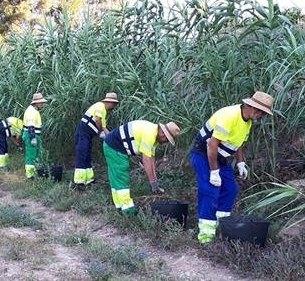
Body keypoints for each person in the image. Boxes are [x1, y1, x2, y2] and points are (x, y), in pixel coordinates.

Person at [191, 91, 274, 244]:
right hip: (204, 154)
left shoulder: (247, 121)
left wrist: (241, 162)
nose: (264, 117)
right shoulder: (229, 115)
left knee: (230, 189)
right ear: (252, 108)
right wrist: (214, 172)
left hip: (221, 157)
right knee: (209, 190)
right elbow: (211, 144)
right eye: (263, 113)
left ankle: (222, 226)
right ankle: (206, 237)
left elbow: (239, 143)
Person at [103, 120, 181, 214]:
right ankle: (127, 209)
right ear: (163, 133)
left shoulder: (154, 134)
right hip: (114, 147)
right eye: (167, 140)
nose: (166, 142)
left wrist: (155, 181)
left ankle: (120, 206)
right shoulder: (150, 134)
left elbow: (152, 159)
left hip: (113, 146)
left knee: (116, 178)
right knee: (120, 176)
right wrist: (153, 183)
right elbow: (146, 160)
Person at [73, 92, 119, 190]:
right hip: (83, 134)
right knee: (82, 155)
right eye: (114, 104)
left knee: (87, 156)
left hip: (88, 135)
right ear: (109, 102)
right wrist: (100, 132)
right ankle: (79, 182)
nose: (114, 106)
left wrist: (111, 137)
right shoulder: (100, 106)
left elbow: (104, 127)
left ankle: (89, 179)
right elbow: (98, 121)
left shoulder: (104, 111)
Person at [22, 93, 48, 179]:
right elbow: (31, 126)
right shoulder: (31, 111)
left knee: (36, 154)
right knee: (31, 155)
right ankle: (30, 176)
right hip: (31, 135)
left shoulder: (33, 110)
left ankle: (36, 173)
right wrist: (32, 138)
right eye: (41, 102)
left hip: (34, 135)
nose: (42, 104)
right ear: (36, 103)